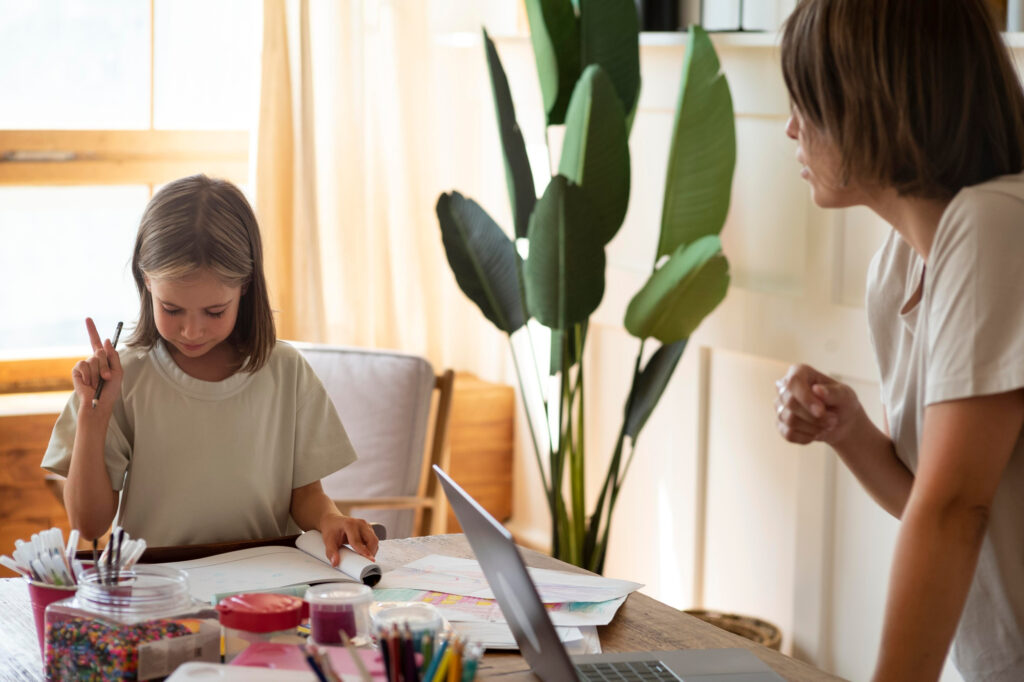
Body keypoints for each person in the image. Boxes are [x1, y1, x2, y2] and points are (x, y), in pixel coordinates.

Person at [773, 1, 1024, 680]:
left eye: (808, 102)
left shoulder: (996, 225)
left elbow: (952, 511)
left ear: (870, 103)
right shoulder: (897, 268)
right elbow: (930, 498)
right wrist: (848, 429)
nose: (790, 127)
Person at [42, 174, 378, 566]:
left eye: (215, 311)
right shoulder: (123, 378)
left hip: (267, 586)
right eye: (172, 309)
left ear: (246, 285)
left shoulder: (286, 372)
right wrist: (92, 417)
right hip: (157, 589)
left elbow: (305, 496)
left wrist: (331, 519)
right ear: (146, 280)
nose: (192, 330)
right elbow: (88, 524)